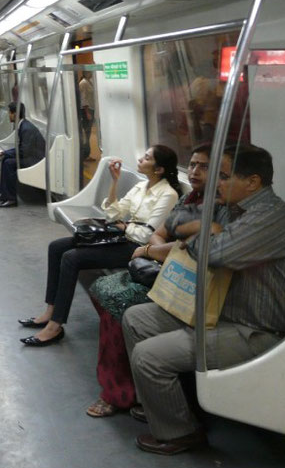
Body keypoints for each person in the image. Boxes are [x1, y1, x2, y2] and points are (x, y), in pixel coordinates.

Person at [123, 144, 285, 455]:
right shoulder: (228, 206)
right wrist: (205, 229)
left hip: (255, 330)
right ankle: (167, 405)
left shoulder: (272, 217)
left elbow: (216, 254)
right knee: (135, 319)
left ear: (253, 182)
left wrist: (199, 233)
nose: (213, 183)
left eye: (222, 176)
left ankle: (180, 433)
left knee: (148, 356)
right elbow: (177, 220)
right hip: (218, 311)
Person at [86, 145, 210, 418]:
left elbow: (188, 246)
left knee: (119, 304)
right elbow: (160, 235)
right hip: (164, 268)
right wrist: (161, 248)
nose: (194, 171)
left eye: (204, 167)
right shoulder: (189, 200)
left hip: (187, 281)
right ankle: (132, 387)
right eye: (192, 165)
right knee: (103, 291)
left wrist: (155, 249)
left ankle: (118, 394)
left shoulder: (211, 208)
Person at [19, 145, 182, 346]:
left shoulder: (168, 195)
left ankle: (55, 326)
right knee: (56, 247)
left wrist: (125, 227)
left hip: (137, 249)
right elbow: (113, 214)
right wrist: (115, 182)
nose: (141, 159)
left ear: (159, 169)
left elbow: (147, 234)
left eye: (147, 158)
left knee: (72, 258)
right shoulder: (141, 186)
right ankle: (50, 311)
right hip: (121, 238)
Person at [0, 102, 45, 208]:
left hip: (35, 159)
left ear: (15, 114)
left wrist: (2, 152)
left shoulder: (26, 128)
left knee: (9, 163)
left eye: (10, 113)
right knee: (6, 160)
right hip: (30, 156)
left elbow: (24, 151)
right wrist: (3, 153)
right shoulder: (22, 125)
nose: (9, 115)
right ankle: (5, 194)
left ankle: (11, 199)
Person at [78, 72, 96, 161]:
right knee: (86, 134)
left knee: (87, 134)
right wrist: (87, 112)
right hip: (86, 111)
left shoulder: (89, 82)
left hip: (91, 109)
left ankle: (86, 154)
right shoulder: (84, 83)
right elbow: (83, 98)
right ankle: (84, 155)